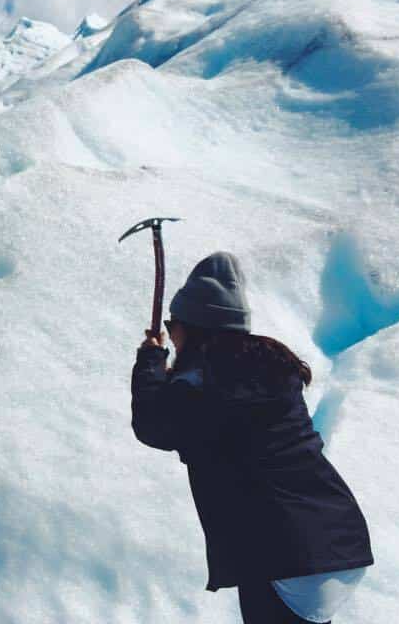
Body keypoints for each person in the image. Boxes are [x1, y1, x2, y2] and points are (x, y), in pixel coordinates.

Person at [131, 252, 373, 624]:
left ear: (195, 326)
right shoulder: (265, 365)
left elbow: (154, 424)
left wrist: (150, 361)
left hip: (287, 555)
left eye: (173, 323)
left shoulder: (204, 386)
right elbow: (202, 410)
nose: (170, 331)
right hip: (339, 540)